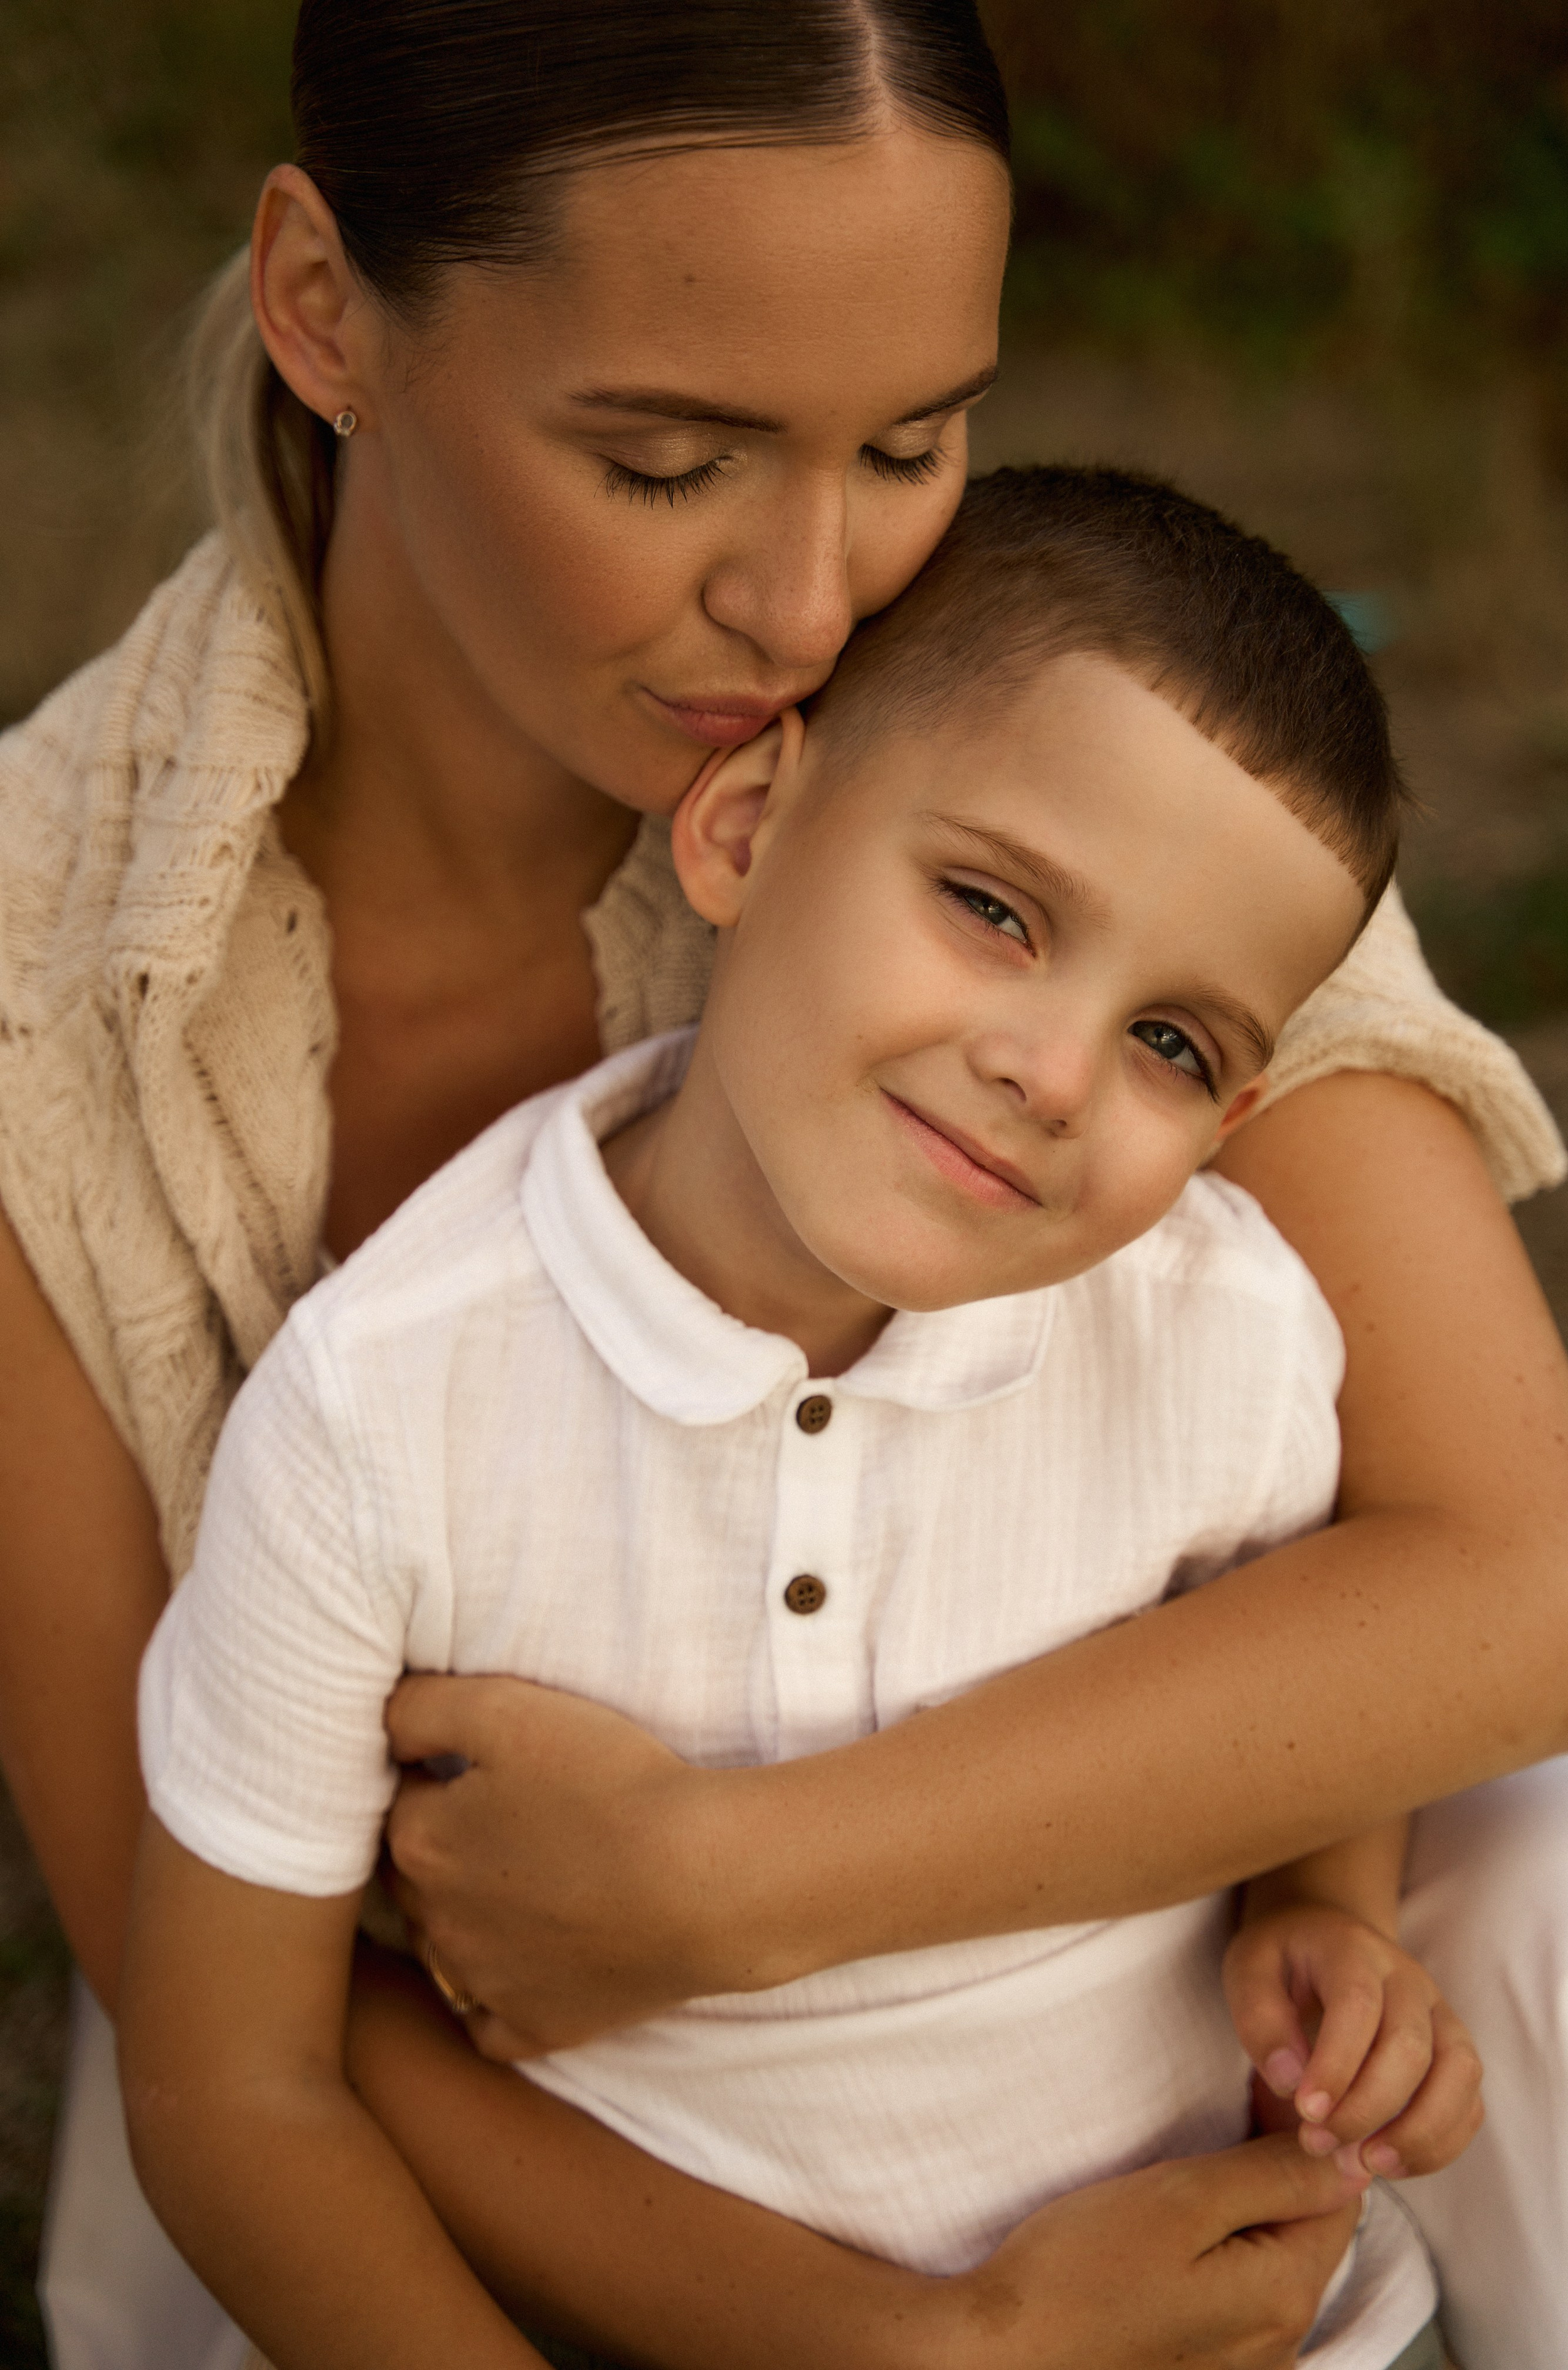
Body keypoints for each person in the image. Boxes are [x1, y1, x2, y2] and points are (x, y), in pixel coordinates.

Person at [0, 0, 1568, 2367]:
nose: (816, 601)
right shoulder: (44, 975)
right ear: (328, 309)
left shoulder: (1072, 730)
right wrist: (900, 2350)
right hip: (491, 2104)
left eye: (915, 440)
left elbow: (1522, 1581)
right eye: (666, 465)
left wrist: (736, 1885)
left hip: (1099, 1998)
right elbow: (195, 1955)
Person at [122, 465, 1481, 2370]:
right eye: (996, 909)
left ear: (1235, 1122)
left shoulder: (1224, 1331)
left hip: (1252, 2327)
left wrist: (1326, 1914)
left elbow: (1327, 1700)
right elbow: (234, 2089)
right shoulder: (386, 1406)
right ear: (751, 825)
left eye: (1177, 1044)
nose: (1052, 1067)